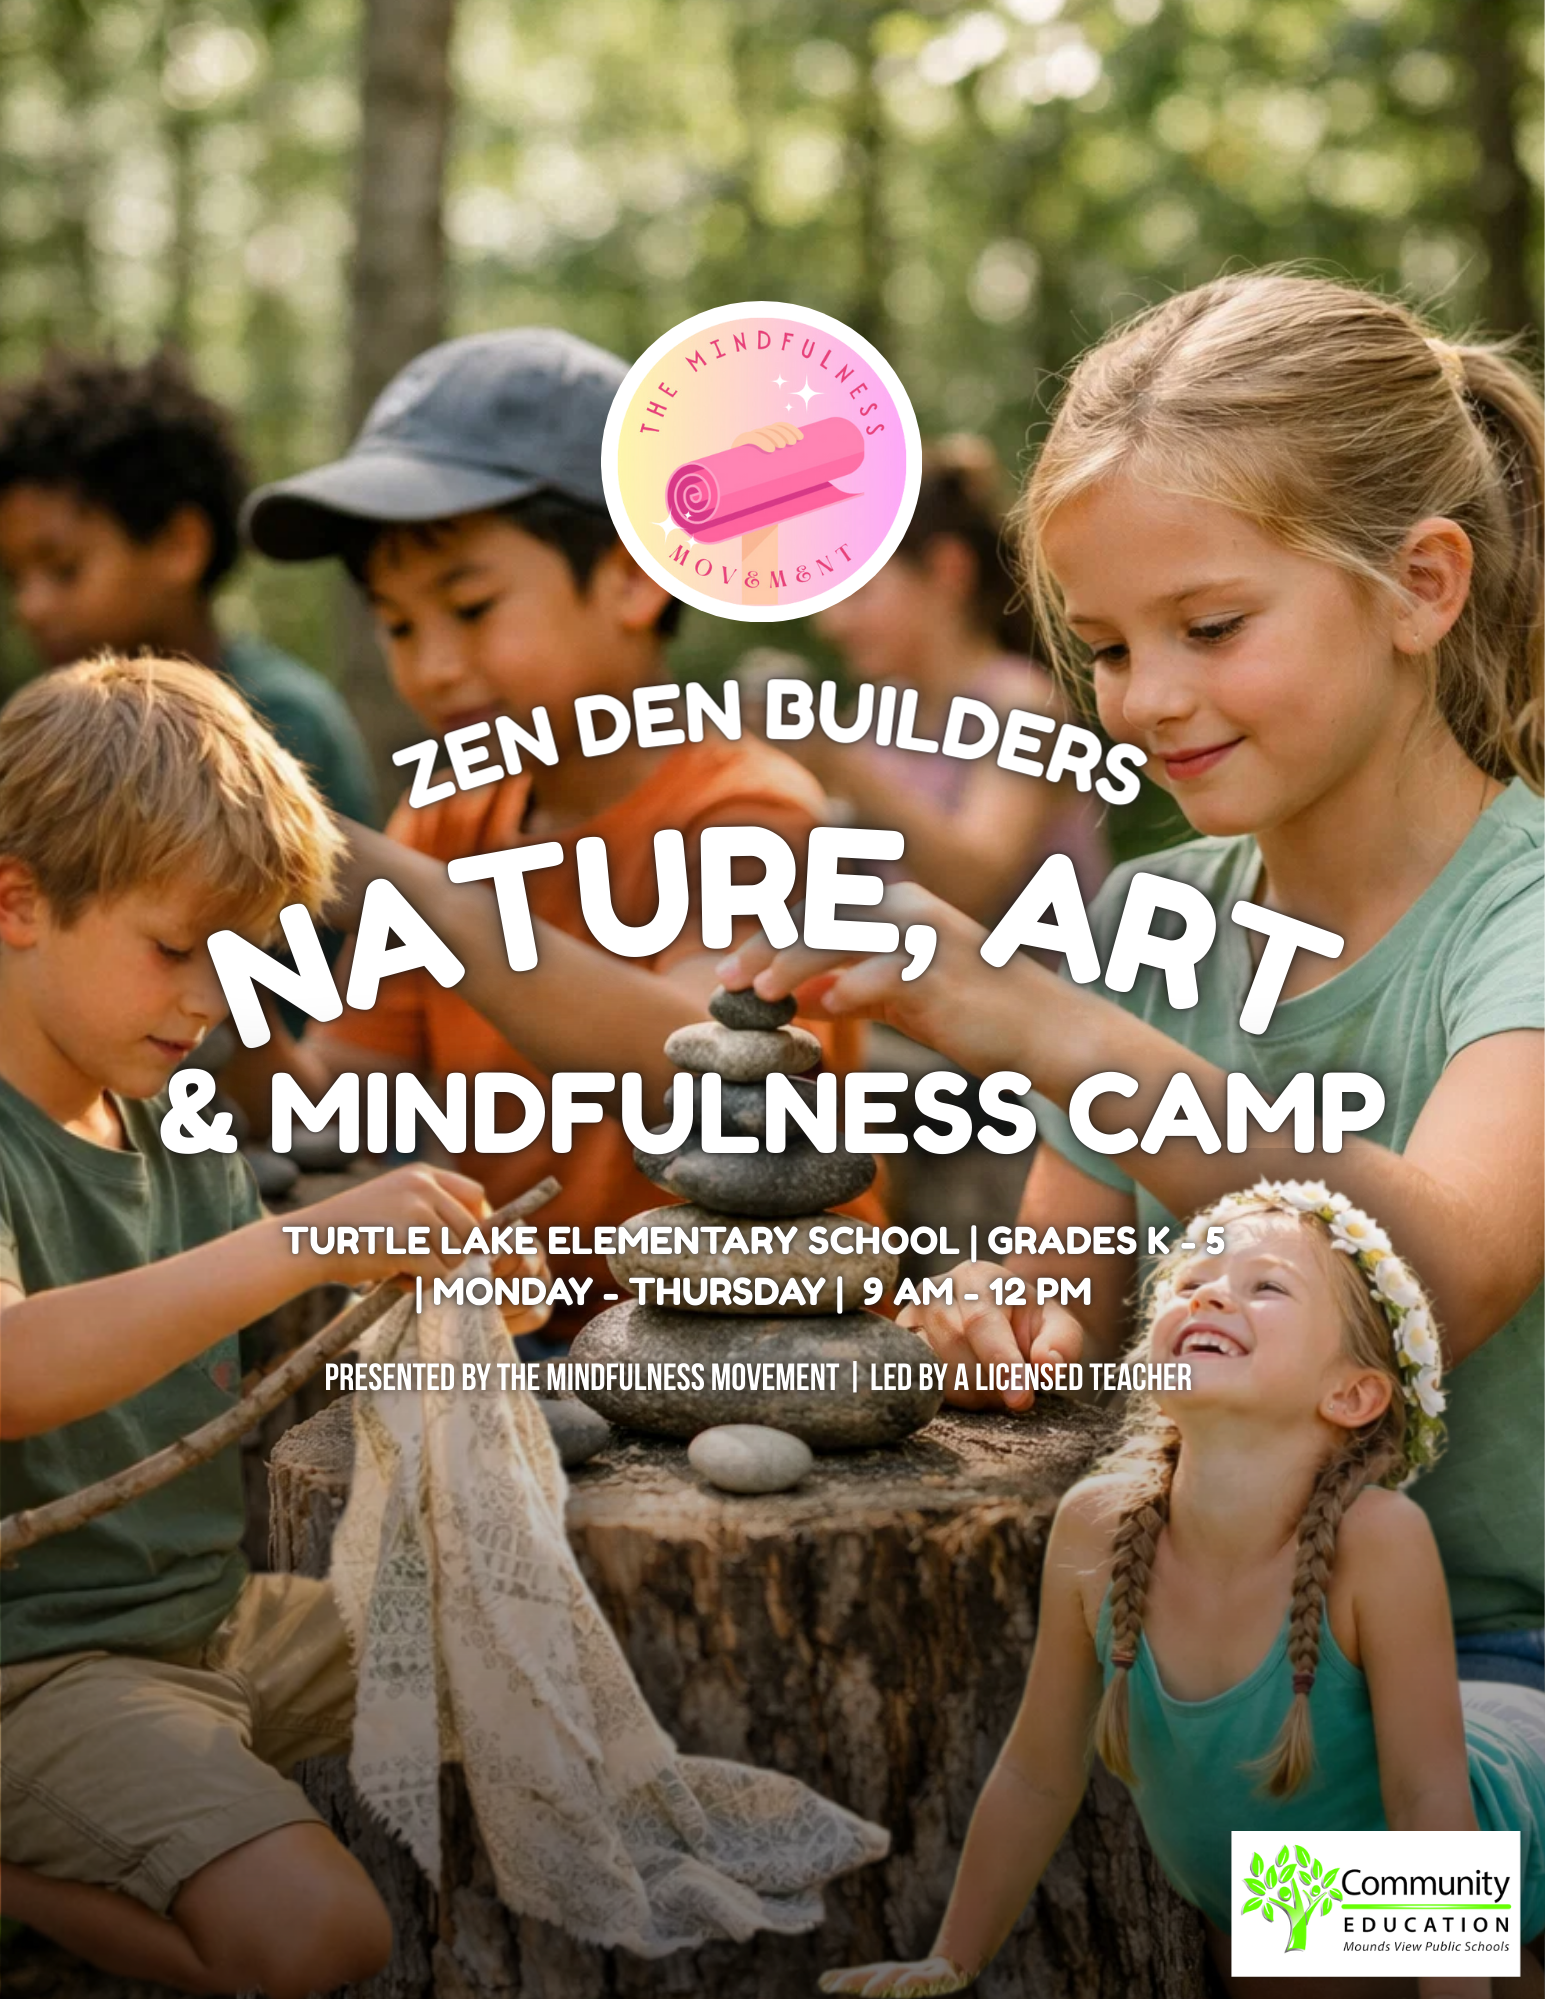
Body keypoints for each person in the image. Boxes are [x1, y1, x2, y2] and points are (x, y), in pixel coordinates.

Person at [719, 272, 1544, 1679]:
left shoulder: (1513, 912)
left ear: (1419, 585)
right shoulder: (1153, 917)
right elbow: (1067, 1311)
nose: (1147, 696)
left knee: (1359, 1895)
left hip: (1493, 1661)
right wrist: (983, 1319)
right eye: (1106, 648)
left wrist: (1049, 1022)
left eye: (1209, 627)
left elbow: (1438, 1279)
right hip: (1218, 1652)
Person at [0, 655, 508, 1994]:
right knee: (315, 1939)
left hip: (210, 1624)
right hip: (35, 1663)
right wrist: (314, 1234)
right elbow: (16, 1365)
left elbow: (229, 1333)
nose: (208, 1002)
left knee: (524, 1677)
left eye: (237, 962)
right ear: (17, 902)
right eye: (175, 950)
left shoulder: (171, 1119)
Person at [240, 327, 881, 1339]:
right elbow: (335, 1106)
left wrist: (402, 884)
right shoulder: (447, 821)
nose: (433, 667)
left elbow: (699, 1065)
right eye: (400, 624)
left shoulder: (752, 811)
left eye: (471, 605)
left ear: (633, 579)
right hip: (521, 1340)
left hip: (747, 1346)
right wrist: (220, 978)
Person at [817, 1186, 1545, 1998]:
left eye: (1265, 1284)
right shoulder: (1096, 1523)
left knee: (1308, 1947)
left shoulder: (1375, 1539)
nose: (1208, 1290)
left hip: (1493, 1810)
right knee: (1269, 1932)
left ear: (1350, 1393)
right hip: (1270, 1890)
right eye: (1187, 1278)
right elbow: (1035, 1773)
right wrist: (949, 1959)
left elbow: (1426, 1804)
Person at [0, 348, 377, 829]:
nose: (29, 607)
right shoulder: (43, 728)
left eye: (64, 570)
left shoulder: (277, 719)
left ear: (180, 545)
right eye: (14, 578)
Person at [787, 434, 1108, 924]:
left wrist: (837, 766)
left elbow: (975, 887)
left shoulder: (1021, 702)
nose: (832, 624)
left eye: (857, 594)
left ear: (947, 571)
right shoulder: (875, 716)